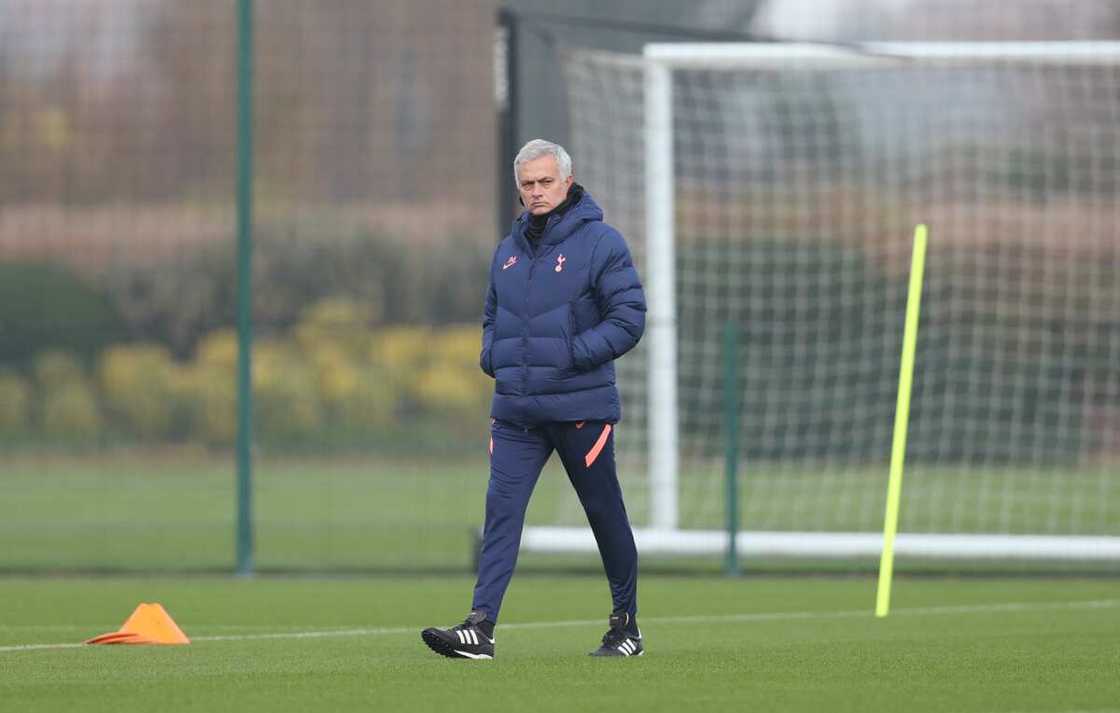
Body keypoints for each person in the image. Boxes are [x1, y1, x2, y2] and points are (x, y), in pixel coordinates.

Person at [421, 139, 647, 659]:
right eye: (528, 184)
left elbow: (629, 319)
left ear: (567, 182)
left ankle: (626, 627)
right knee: (500, 515)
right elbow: (491, 320)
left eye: (546, 181)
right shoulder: (507, 250)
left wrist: (569, 355)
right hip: (516, 413)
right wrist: (492, 357)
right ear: (518, 188)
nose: (537, 192)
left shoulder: (602, 244)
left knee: (604, 514)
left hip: (580, 412)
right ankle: (480, 628)